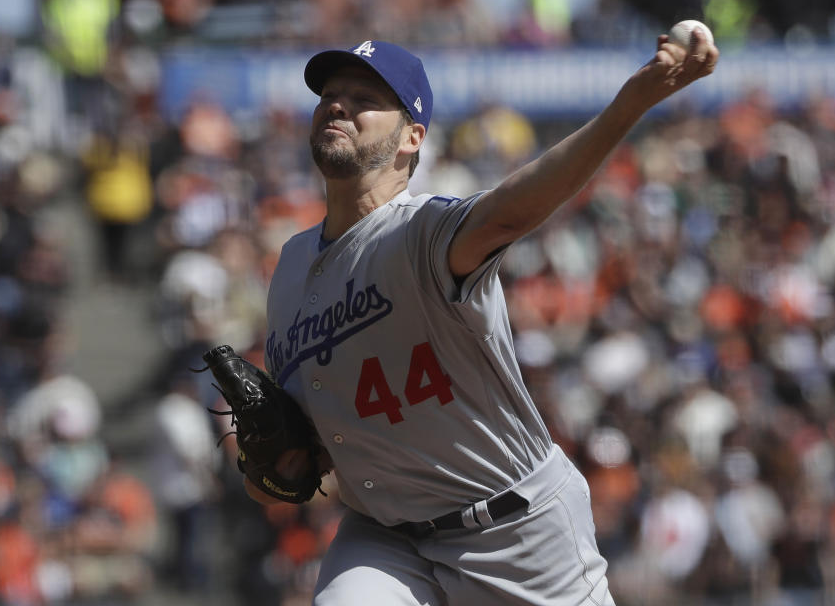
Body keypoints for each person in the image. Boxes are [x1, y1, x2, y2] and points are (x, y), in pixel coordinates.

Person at [247, 35, 718, 605]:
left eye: (365, 97)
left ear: (411, 139)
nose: (338, 104)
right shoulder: (293, 267)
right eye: (330, 94)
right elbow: (297, 455)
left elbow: (508, 213)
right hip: (385, 535)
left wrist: (629, 105)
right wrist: (281, 463)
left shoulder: (420, 232)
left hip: (513, 529)